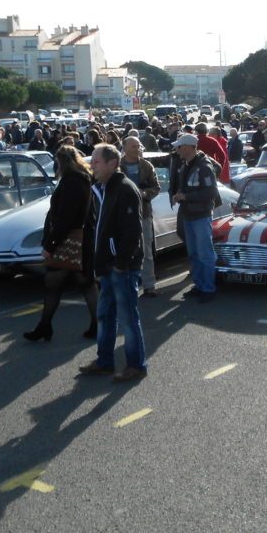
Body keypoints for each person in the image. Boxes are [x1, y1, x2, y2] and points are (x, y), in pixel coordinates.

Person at [79, 144, 148, 381]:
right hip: (107, 265)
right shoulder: (101, 189)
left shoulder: (126, 189)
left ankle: (136, 365)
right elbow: (100, 229)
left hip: (123, 267)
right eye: (92, 161)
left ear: (112, 163)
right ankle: (104, 361)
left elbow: (132, 232)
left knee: (128, 317)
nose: (92, 166)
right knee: (105, 314)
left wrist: (120, 264)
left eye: (96, 162)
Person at [23, 145, 99, 342]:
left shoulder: (71, 182)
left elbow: (65, 218)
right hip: (82, 240)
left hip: (70, 241)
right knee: (86, 284)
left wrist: (49, 245)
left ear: (62, 162)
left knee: (54, 284)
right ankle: (96, 324)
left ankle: (45, 326)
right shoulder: (82, 179)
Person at [169, 134, 220, 302]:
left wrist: (185, 197)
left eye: (179, 147)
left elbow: (210, 192)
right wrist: (179, 195)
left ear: (188, 147)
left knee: (205, 253)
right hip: (189, 214)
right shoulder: (186, 164)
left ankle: (208, 288)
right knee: (194, 253)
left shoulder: (204, 166)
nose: (177, 150)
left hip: (201, 215)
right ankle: (199, 285)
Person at [120, 136, 161, 297]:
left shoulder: (146, 166)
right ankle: (126, 284)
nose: (137, 149)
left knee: (146, 251)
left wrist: (144, 193)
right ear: (125, 148)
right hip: (122, 216)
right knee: (124, 250)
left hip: (143, 213)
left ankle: (149, 285)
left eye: (138, 146)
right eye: (133, 146)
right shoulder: (118, 166)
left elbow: (156, 187)